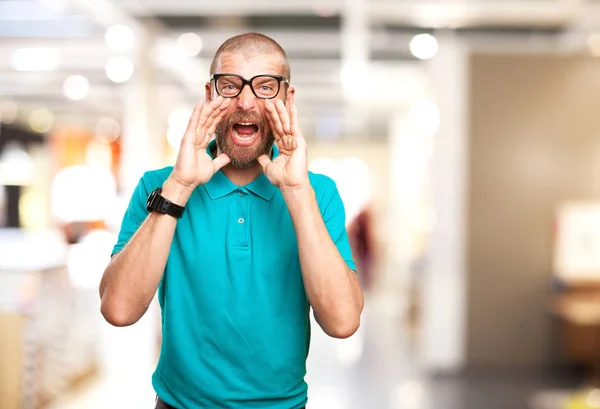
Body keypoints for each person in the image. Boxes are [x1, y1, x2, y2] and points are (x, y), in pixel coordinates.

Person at [99, 32, 364, 409]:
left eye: (265, 86)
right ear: (209, 94)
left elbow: (342, 322)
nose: (245, 101)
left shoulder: (317, 192)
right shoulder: (159, 186)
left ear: (288, 99)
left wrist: (296, 193)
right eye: (229, 86)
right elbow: (119, 310)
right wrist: (180, 185)